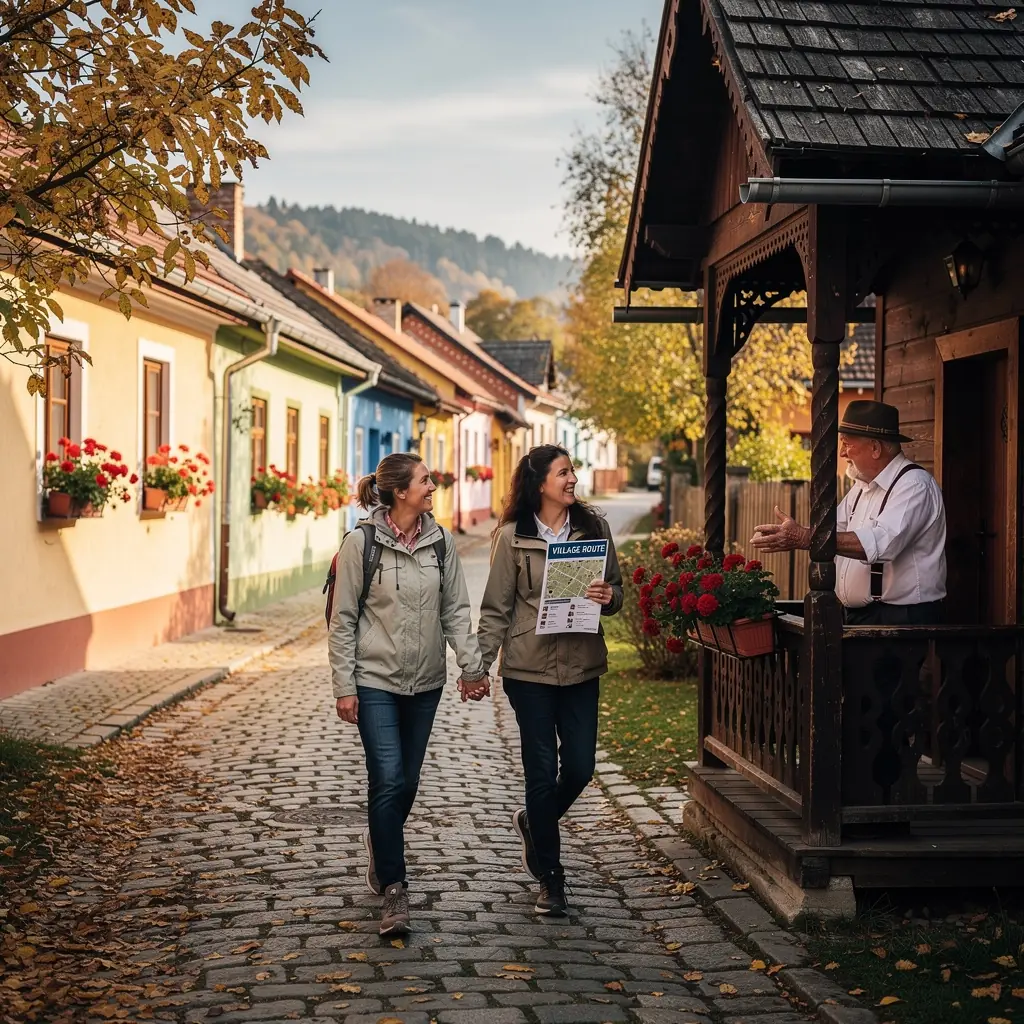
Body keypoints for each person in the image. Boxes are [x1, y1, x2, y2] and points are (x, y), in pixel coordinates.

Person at [328, 452, 489, 936]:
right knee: (389, 779)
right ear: (401, 492)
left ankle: (382, 839)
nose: (432, 485)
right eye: (424, 480)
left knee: (410, 781)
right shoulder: (362, 544)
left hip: (426, 684)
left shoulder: (441, 543)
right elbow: (343, 621)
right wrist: (344, 686)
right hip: (375, 680)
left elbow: (456, 610)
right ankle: (394, 890)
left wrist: (472, 666)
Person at [478, 444, 623, 917]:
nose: (572, 479)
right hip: (529, 669)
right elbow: (496, 608)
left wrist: (608, 595)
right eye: (563, 473)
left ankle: (532, 822)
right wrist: (478, 665)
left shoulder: (593, 528)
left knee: (579, 768)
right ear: (540, 483)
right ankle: (552, 880)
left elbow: (617, 588)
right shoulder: (511, 537)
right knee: (540, 774)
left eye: (572, 472)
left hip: (582, 664)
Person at [750, 399, 947, 625]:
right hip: (865, 616)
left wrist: (805, 537)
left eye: (847, 443)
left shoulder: (914, 485)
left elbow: (882, 544)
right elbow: (834, 531)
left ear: (875, 448)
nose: (842, 452)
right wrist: (798, 535)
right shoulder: (863, 487)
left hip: (900, 618)